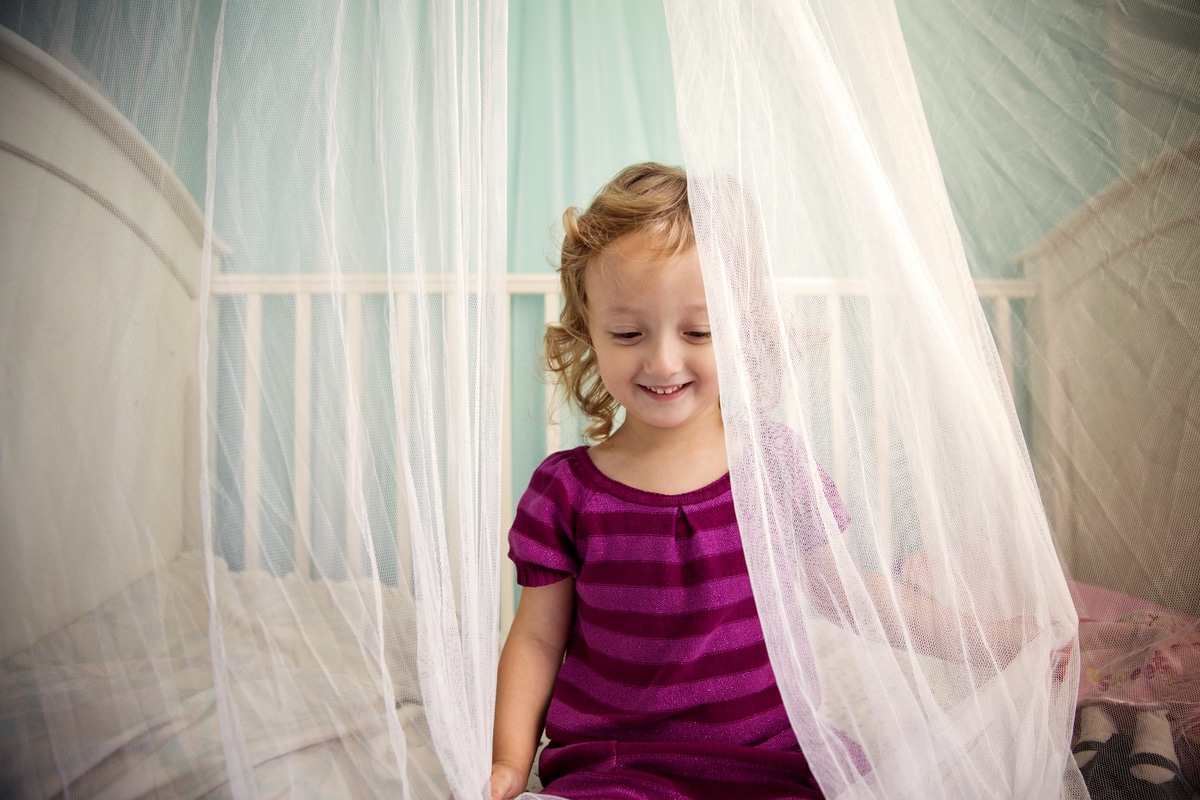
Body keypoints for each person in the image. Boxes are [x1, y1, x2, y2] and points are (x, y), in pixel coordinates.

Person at [489, 163, 1033, 800]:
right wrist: (508, 763)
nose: (663, 361)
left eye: (699, 331)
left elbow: (853, 595)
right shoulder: (565, 491)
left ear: (741, 330)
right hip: (617, 766)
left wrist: (995, 644)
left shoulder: (774, 469)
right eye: (628, 333)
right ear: (589, 333)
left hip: (769, 764)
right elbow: (535, 635)